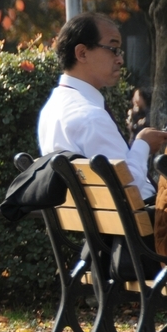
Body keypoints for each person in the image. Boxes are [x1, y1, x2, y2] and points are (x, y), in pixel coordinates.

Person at [38, 13, 167, 200]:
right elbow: (130, 187)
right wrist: (143, 143)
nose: (120, 60)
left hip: (97, 216)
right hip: (139, 216)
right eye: (113, 49)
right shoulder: (89, 116)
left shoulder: (52, 108)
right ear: (82, 53)